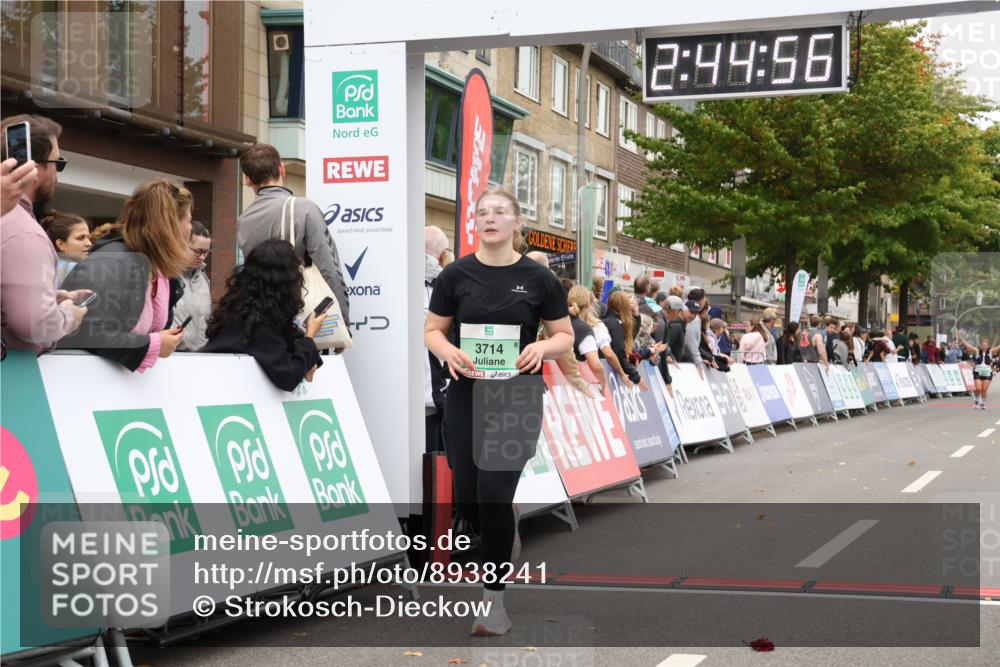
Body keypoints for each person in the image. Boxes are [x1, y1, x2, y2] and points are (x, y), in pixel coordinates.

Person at [424, 188, 572, 637]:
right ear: (475, 222)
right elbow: (432, 330)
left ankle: (493, 604)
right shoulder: (456, 274)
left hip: (516, 397)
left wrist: (542, 347)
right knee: (469, 499)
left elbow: (564, 335)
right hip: (468, 394)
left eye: (500, 212)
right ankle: (505, 524)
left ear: (516, 221)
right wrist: (448, 350)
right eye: (483, 213)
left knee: (491, 492)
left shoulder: (538, 278)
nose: (490, 219)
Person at [59, 179, 190, 371]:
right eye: (188, 219)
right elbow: (89, 333)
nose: (191, 227)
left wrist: (159, 341)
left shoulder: (160, 268)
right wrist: (150, 345)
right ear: (170, 226)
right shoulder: (112, 263)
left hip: (121, 389)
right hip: (78, 384)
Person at [238, 143, 350, 336]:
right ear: (281, 169)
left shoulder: (243, 220)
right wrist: (343, 322)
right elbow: (329, 269)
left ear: (247, 180)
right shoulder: (303, 209)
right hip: (302, 318)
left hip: (260, 321)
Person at [1, 115, 88, 353]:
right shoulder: (25, 233)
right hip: (13, 378)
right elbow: (35, 325)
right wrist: (68, 316)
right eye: (57, 163)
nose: (57, 175)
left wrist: (44, 300)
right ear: (35, 169)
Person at [201, 240, 323, 391]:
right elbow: (288, 377)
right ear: (286, 281)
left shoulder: (244, 312)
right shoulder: (259, 324)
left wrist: (312, 357)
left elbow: (292, 340)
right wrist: (310, 336)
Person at [424, 226, 450, 453]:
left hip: (396, 396)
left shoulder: (397, 279)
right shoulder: (446, 286)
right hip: (434, 395)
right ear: (443, 255)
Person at [170, 220, 212, 351]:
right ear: (182, 245)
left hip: (200, 355)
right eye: (198, 251)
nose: (202, 257)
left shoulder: (204, 279)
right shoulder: (167, 276)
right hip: (172, 354)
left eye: (206, 252)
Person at [602, 291, 646, 390]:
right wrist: (636, 377)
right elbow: (620, 353)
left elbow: (630, 337)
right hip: (607, 371)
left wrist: (636, 315)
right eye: (627, 303)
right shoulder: (614, 323)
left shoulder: (611, 320)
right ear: (623, 305)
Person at [567, 285, 606, 393]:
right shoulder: (584, 329)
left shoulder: (555, 320)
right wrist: (603, 383)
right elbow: (596, 365)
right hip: (573, 387)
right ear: (589, 304)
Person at [40, 211, 92, 286]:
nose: (89, 243)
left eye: (88, 237)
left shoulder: (43, 265)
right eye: (80, 238)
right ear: (60, 244)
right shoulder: (75, 269)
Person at [955, 330, 1000, 409]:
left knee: (984, 389)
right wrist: (961, 338)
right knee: (978, 388)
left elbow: (998, 347)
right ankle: (976, 400)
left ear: (988, 346)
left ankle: (983, 402)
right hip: (978, 372)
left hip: (987, 373)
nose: (984, 346)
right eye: (983, 345)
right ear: (981, 346)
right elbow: (968, 346)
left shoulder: (991, 351)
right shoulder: (977, 351)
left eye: (986, 345)